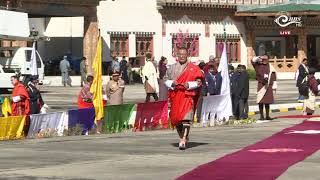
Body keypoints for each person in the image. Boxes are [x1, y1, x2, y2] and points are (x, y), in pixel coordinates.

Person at [165, 47, 204, 150]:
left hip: (187, 96)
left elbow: (199, 82)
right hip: (175, 96)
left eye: (184, 54)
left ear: (187, 55)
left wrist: (190, 84)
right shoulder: (171, 68)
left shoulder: (194, 68)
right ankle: (184, 136)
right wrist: (171, 83)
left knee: (186, 118)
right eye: (180, 54)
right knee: (177, 120)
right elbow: (165, 80)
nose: (182, 56)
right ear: (177, 56)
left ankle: (182, 140)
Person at [252, 55, 277, 120]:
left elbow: (273, 75)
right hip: (261, 85)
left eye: (266, 58)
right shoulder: (258, 65)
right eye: (263, 58)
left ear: (268, 59)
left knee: (267, 102)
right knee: (260, 101)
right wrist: (259, 57)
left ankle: (267, 115)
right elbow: (252, 60)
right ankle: (261, 116)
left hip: (268, 85)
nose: (264, 60)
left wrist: (274, 84)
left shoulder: (270, 66)